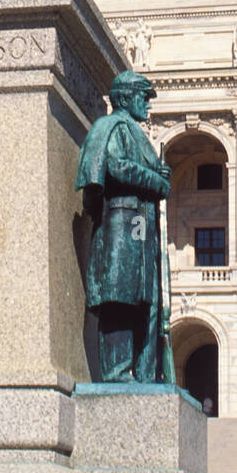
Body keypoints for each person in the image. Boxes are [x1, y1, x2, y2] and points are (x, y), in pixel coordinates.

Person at [75, 72, 171, 382]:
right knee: (120, 293)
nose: (147, 104)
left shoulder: (134, 132)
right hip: (122, 220)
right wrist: (157, 180)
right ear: (125, 98)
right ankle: (116, 371)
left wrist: (158, 173)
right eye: (143, 97)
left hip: (139, 222)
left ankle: (142, 373)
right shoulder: (111, 126)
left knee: (143, 296)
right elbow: (114, 167)